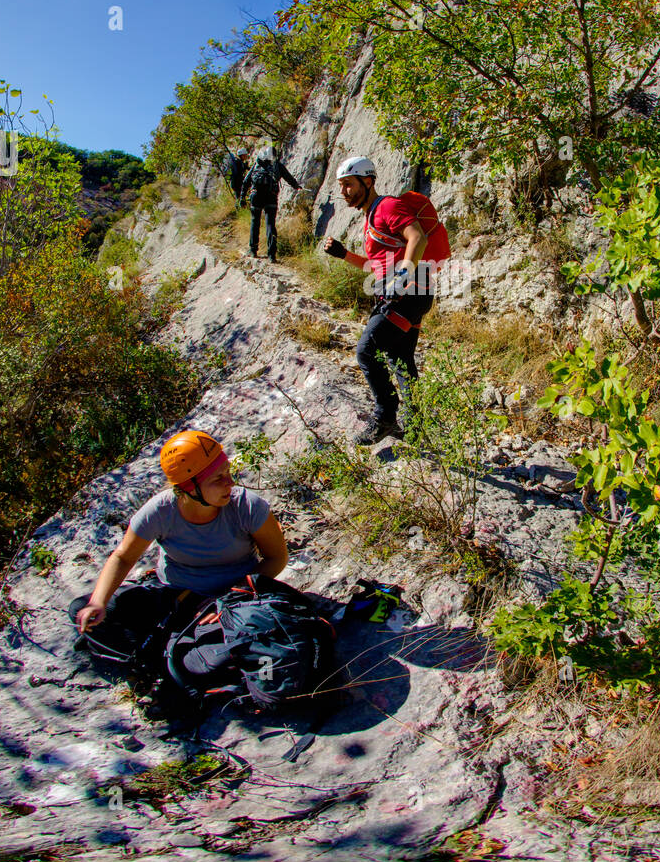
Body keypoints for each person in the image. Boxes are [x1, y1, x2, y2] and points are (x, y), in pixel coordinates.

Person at [78, 429, 292, 638]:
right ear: (188, 488)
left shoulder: (246, 506)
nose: (230, 483)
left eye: (227, 472)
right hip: (175, 595)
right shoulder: (160, 512)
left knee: (234, 636)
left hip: (236, 595)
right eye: (218, 479)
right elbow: (123, 557)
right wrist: (98, 602)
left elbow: (276, 557)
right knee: (84, 609)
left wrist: (233, 597)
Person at [320, 157, 452, 445]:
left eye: (349, 185)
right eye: (341, 186)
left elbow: (417, 237)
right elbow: (375, 266)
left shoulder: (388, 207)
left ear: (368, 182)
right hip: (408, 292)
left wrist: (402, 277)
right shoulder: (371, 219)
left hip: (407, 292)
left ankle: (385, 418)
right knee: (400, 360)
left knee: (367, 350)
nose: (344, 192)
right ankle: (416, 427)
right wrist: (344, 255)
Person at [240, 149, 299, 259]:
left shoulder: (257, 165)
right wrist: (296, 186)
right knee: (270, 224)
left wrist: (242, 197)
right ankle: (271, 254)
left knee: (255, 222)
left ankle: (253, 250)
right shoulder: (277, 165)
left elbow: (246, 181)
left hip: (256, 196)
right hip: (271, 196)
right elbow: (288, 177)